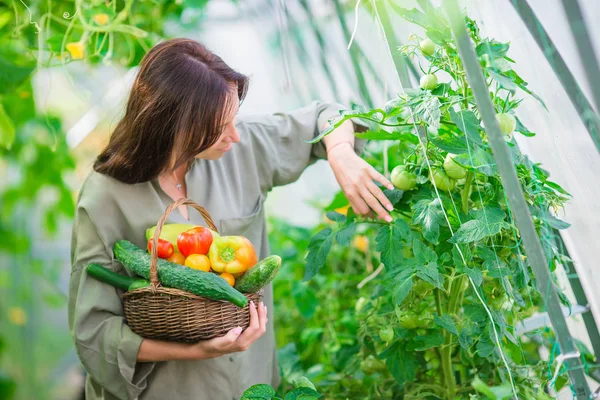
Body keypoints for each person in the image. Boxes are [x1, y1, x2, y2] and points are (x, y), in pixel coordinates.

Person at [68, 38, 395, 400]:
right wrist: (194, 351)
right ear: (172, 125)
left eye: (233, 118)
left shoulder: (239, 149)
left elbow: (326, 115)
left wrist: (340, 152)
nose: (235, 135)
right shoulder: (105, 197)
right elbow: (94, 331)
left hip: (251, 385)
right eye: (219, 126)